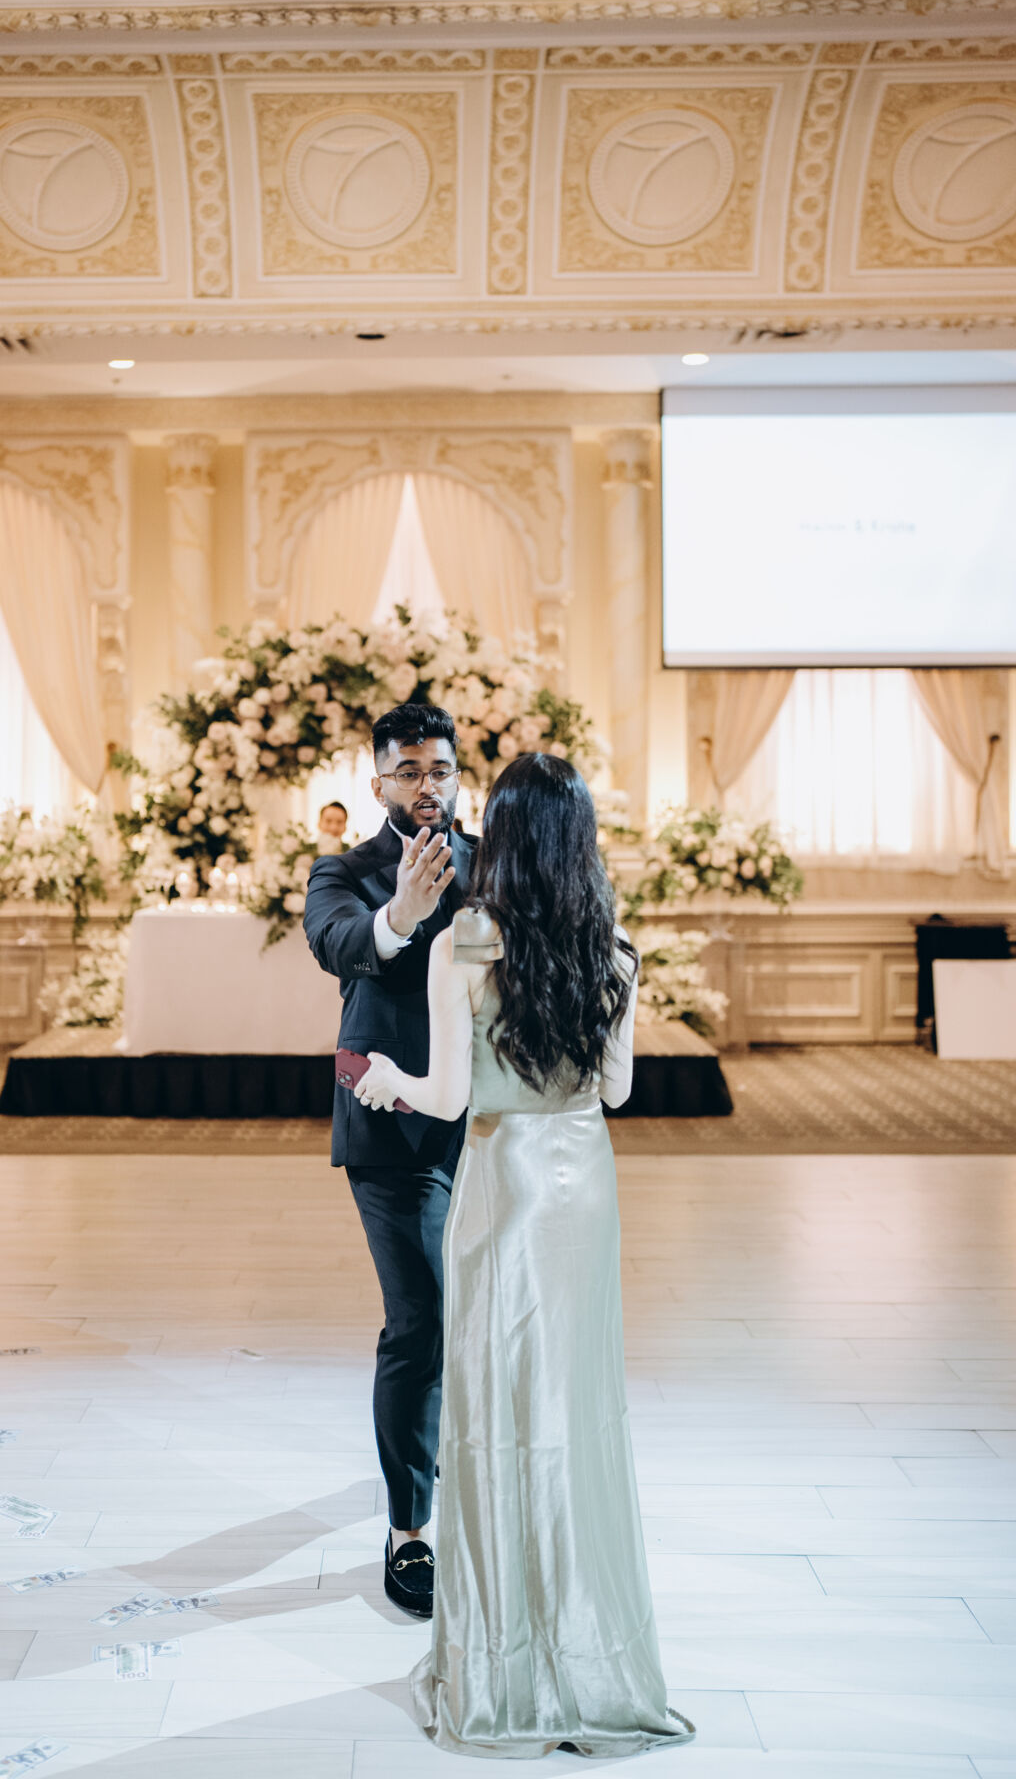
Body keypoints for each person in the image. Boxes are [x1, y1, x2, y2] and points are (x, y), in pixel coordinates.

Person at [355, 752, 694, 1760]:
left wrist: (385, 1078)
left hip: (503, 1186)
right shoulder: (615, 948)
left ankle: (504, 1670)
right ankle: (591, 1658)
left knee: (498, 1416)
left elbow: (449, 1099)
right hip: (582, 1186)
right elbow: (616, 1091)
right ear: (580, 840)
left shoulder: (464, 941)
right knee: (577, 1413)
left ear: (499, 834)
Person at [304, 702, 475, 1620]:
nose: (426, 785)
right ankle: (410, 1528)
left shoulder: (493, 863)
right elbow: (338, 944)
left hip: (489, 1125)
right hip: (393, 1119)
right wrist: (399, 915)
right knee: (421, 1317)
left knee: (481, 1316)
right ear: (378, 784)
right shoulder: (344, 871)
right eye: (408, 771)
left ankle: (468, 1476)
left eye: (439, 769)